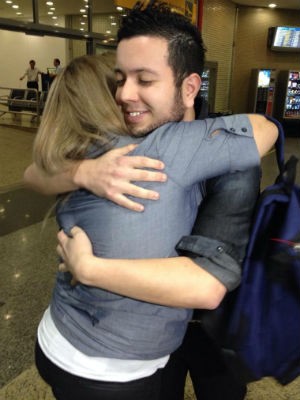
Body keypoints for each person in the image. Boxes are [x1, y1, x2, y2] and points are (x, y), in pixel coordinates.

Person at [24, 2, 278, 400]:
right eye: (119, 79)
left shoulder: (212, 155)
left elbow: (208, 286)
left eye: (144, 80)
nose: (125, 95)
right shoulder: (112, 147)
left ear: (190, 88)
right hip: (119, 352)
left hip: (204, 330)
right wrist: (81, 172)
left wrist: (90, 268)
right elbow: (32, 174)